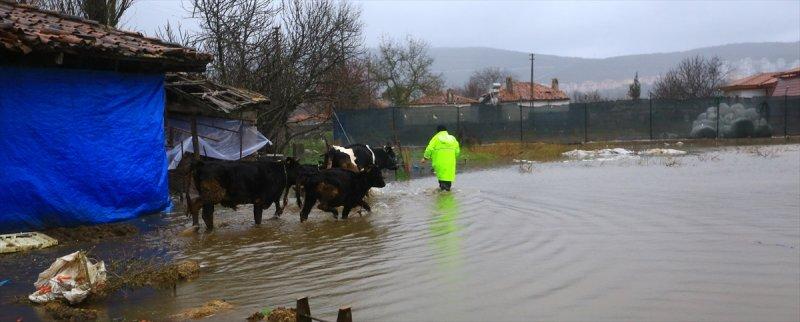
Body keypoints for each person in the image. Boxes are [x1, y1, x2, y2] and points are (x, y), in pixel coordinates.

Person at [421, 125, 460, 191]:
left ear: (438, 131)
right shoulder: (452, 138)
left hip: (439, 163)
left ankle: (443, 196)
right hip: (450, 164)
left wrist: (425, 158)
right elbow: (457, 151)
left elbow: (429, 148)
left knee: (442, 181)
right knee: (448, 180)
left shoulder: (436, 138)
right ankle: (447, 196)